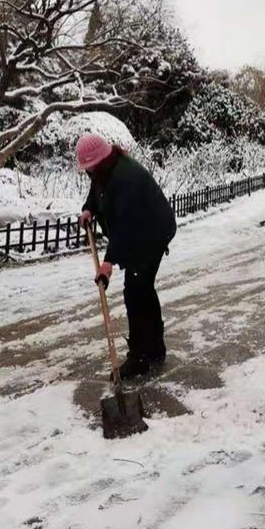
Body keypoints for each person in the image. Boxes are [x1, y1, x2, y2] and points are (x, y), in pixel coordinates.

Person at [76, 133, 176, 378]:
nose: (88, 172)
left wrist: (108, 263)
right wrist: (88, 209)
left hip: (152, 233)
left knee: (135, 290)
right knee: (142, 288)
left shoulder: (125, 177)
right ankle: (154, 348)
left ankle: (140, 356)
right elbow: (96, 191)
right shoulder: (104, 170)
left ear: (99, 161)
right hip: (140, 230)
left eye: (90, 167)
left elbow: (123, 226)